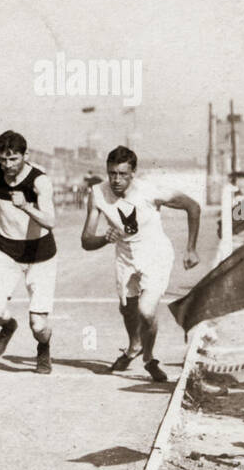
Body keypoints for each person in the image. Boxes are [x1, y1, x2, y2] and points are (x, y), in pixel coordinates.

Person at [81, 146, 200, 383]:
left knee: (146, 310)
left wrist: (191, 248)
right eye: (112, 173)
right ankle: (133, 347)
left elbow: (193, 206)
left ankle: (149, 358)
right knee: (127, 309)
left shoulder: (150, 190)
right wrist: (105, 238)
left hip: (155, 254)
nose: (116, 180)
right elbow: (86, 240)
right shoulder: (97, 194)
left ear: (133, 173)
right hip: (125, 257)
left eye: (123, 174)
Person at [0, 130, 58, 374]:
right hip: (6, 249)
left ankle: (43, 348)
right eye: (3, 159)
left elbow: (50, 221)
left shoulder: (40, 181)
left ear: (25, 155)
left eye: (14, 159)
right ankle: (8, 327)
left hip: (40, 253)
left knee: (38, 325)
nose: (7, 165)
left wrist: (27, 205)